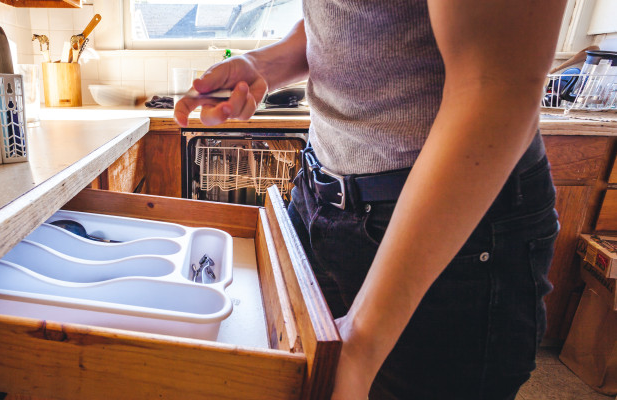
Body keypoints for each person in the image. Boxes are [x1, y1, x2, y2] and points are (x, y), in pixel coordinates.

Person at [174, 1, 567, 399]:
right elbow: (349, 18)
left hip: (449, 234)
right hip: (317, 197)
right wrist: (261, 64)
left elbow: (498, 83)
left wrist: (364, 339)